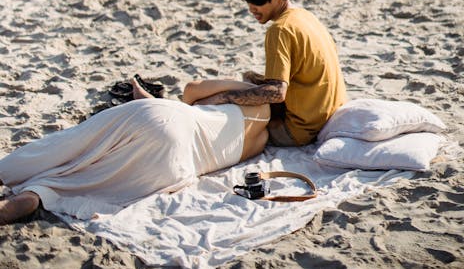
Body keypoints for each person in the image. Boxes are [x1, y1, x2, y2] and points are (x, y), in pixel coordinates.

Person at [0, 78, 269, 225]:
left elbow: (191, 91)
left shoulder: (256, 96)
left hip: (167, 116)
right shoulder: (262, 142)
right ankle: (36, 195)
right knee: (86, 181)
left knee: (70, 145)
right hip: (179, 166)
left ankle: (7, 172)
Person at [200, 0, 347, 147]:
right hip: (328, 114)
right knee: (250, 78)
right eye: (249, 2)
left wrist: (223, 98)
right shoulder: (305, 16)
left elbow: (277, 93)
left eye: (257, 2)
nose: (252, 9)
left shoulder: (280, 30)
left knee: (230, 102)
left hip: (301, 130)